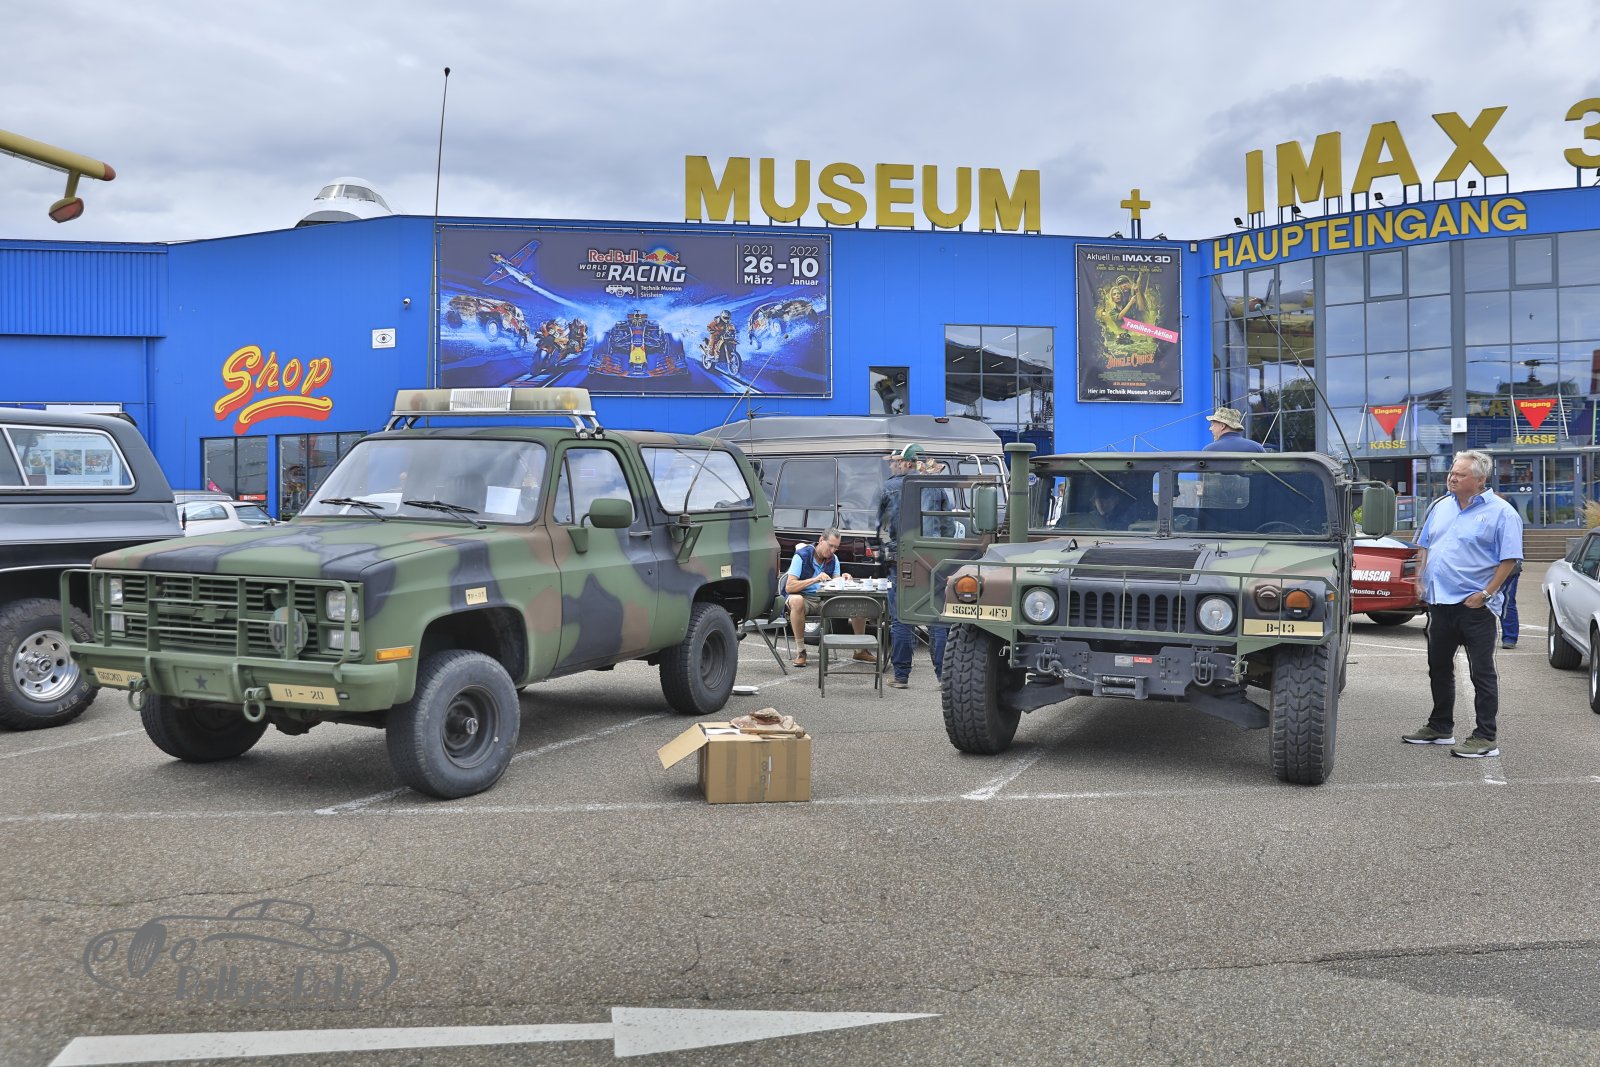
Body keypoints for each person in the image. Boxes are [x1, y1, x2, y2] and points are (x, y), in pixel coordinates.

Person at [1404, 449, 1523, 758]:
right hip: (1440, 604)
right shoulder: (1440, 506)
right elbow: (1425, 545)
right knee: (1438, 668)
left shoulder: (1502, 513)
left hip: (1475, 608)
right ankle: (1440, 727)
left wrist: (1486, 594)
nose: (1452, 478)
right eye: (1451, 472)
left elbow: (1510, 559)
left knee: (1481, 673)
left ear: (1480, 480)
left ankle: (1485, 737)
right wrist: (1420, 579)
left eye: (1460, 474)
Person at [876, 443, 950, 689]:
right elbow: (948, 525)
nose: (892, 466)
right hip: (933, 559)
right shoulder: (936, 485)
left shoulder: (890, 487)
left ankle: (901, 676)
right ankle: (943, 677)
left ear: (907, 462)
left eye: (895, 462)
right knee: (936, 619)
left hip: (902, 559)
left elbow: (881, 524)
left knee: (901, 619)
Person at [783, 528, 869, 669]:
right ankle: (801, 651)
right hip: (804, 598)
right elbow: (789, 587)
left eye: (836, 547)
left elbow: (836, 584)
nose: (833, 550)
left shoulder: (833, 559)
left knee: (857, 602)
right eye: (831, 546)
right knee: (797, 600)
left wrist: (844, 579)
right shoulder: (801, 556)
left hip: (825, 600)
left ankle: (860, 650)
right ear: (821, 540)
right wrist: (815, 579)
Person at [1203, 407, 1267, 452]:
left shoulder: (1209, 450)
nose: (1210, 429)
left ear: (1222, 426)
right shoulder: (1257, 448)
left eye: (1212, 425)